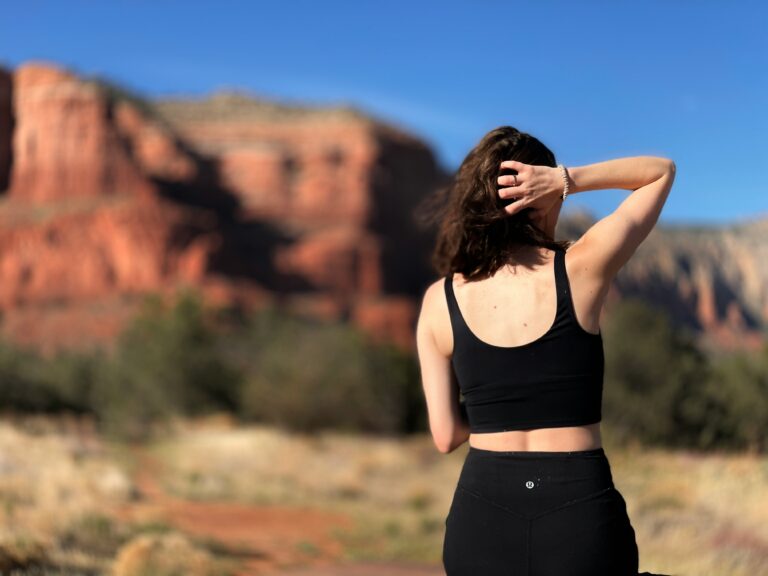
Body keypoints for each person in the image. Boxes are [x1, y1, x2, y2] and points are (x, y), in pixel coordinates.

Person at [415, 126, 676, 576]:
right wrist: (566, 179)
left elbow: (445, 436)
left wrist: (499, 404)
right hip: (578, 512)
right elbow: (660, 171)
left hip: (481, 518)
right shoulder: (580, 268)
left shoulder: (440, 300)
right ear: (545, 193)